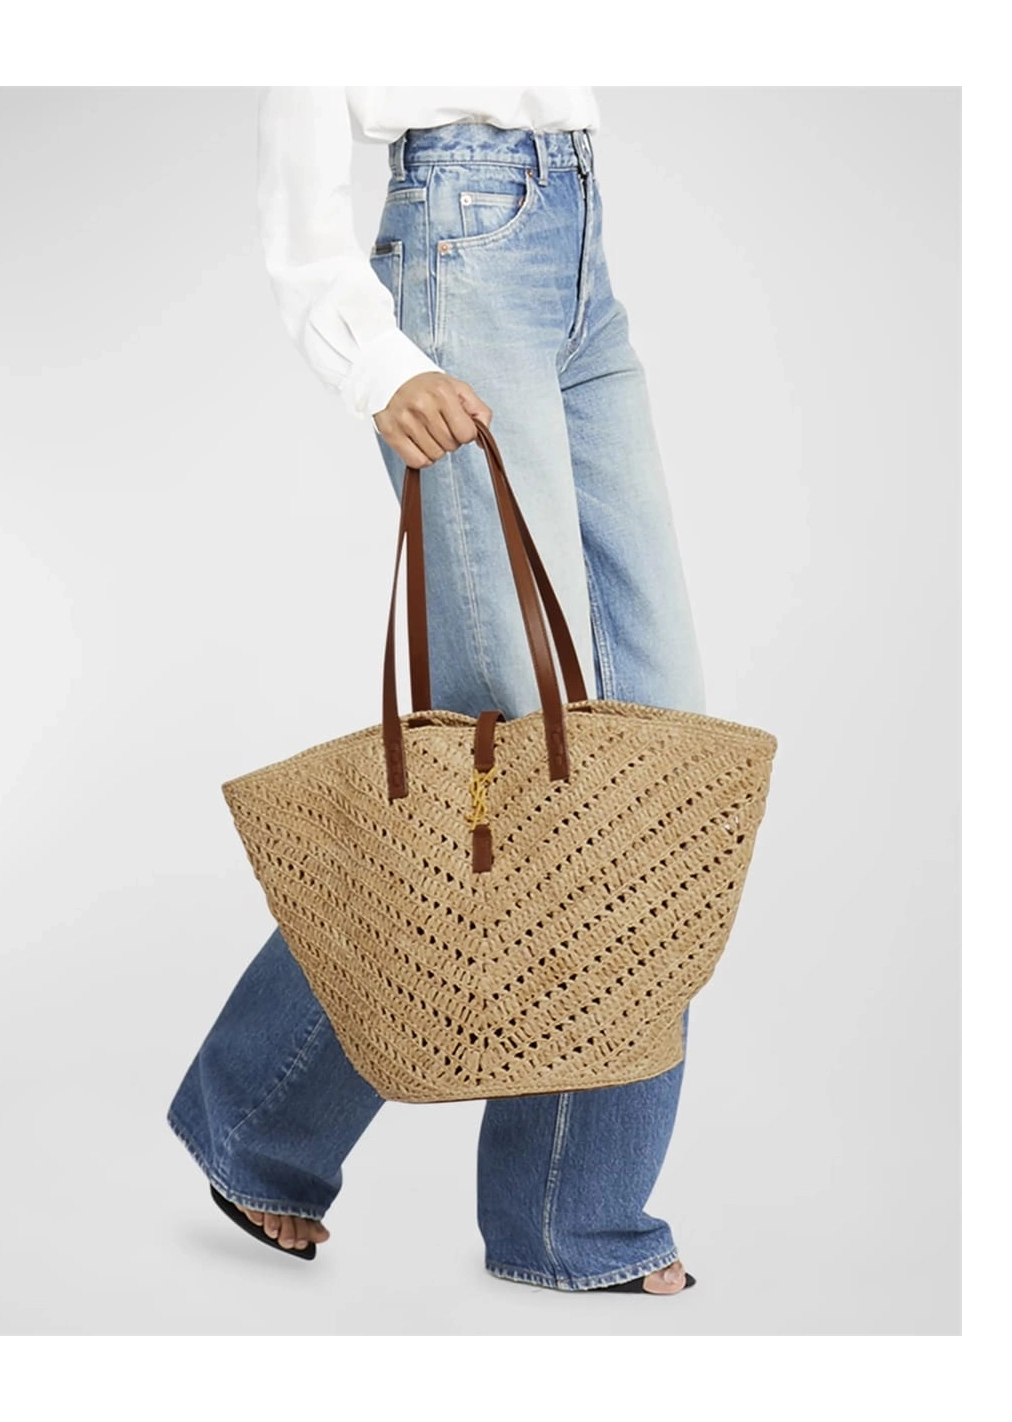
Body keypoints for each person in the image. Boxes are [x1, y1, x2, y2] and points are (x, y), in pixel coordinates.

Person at [166, 80, 707, 1295]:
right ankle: (536, 1208)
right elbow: (301, 79)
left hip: (576, 235)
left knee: (655, 755)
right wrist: (371, 356)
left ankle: (547, 1206)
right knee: (517, 763)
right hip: (461, 240)